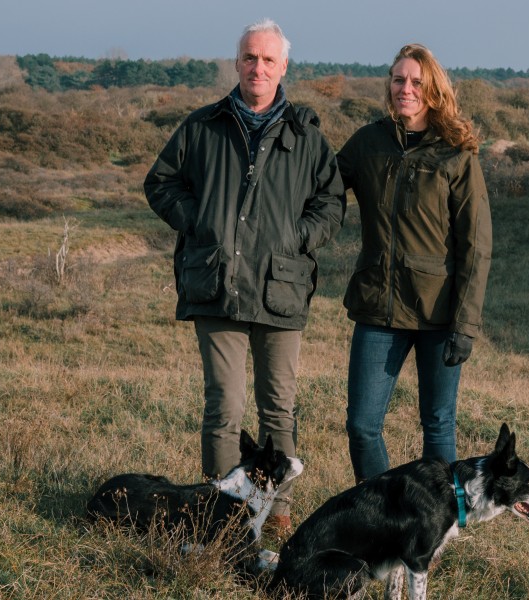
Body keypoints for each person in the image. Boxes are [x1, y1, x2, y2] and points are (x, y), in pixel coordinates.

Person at [144, 18, 344, 534]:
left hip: (281, 288)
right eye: (250, 57)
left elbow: (331, 203)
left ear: (283, 67)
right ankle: (221, 518)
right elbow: (161, 182)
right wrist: (201, 223)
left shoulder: (307, 136)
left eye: (268, 59)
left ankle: (276, 518)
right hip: (217, 284)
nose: (258, 67)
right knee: (224, 409)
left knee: (278, 409)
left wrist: (296, 237)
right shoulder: (202, 126)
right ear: (237, 63)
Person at [336, 43, 492, 482]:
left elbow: (476, 246)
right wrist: (300, 141)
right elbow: (321, 183)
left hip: (438, 313)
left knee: (437, 425)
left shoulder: (456, 153)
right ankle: (381, 512)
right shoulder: (368, 142)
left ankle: (435, 521)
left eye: (416, 82)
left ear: (434, 90)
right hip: (377, 308)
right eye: (398, 79)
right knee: (362, 426)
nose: (405, 88)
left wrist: (465, 325)